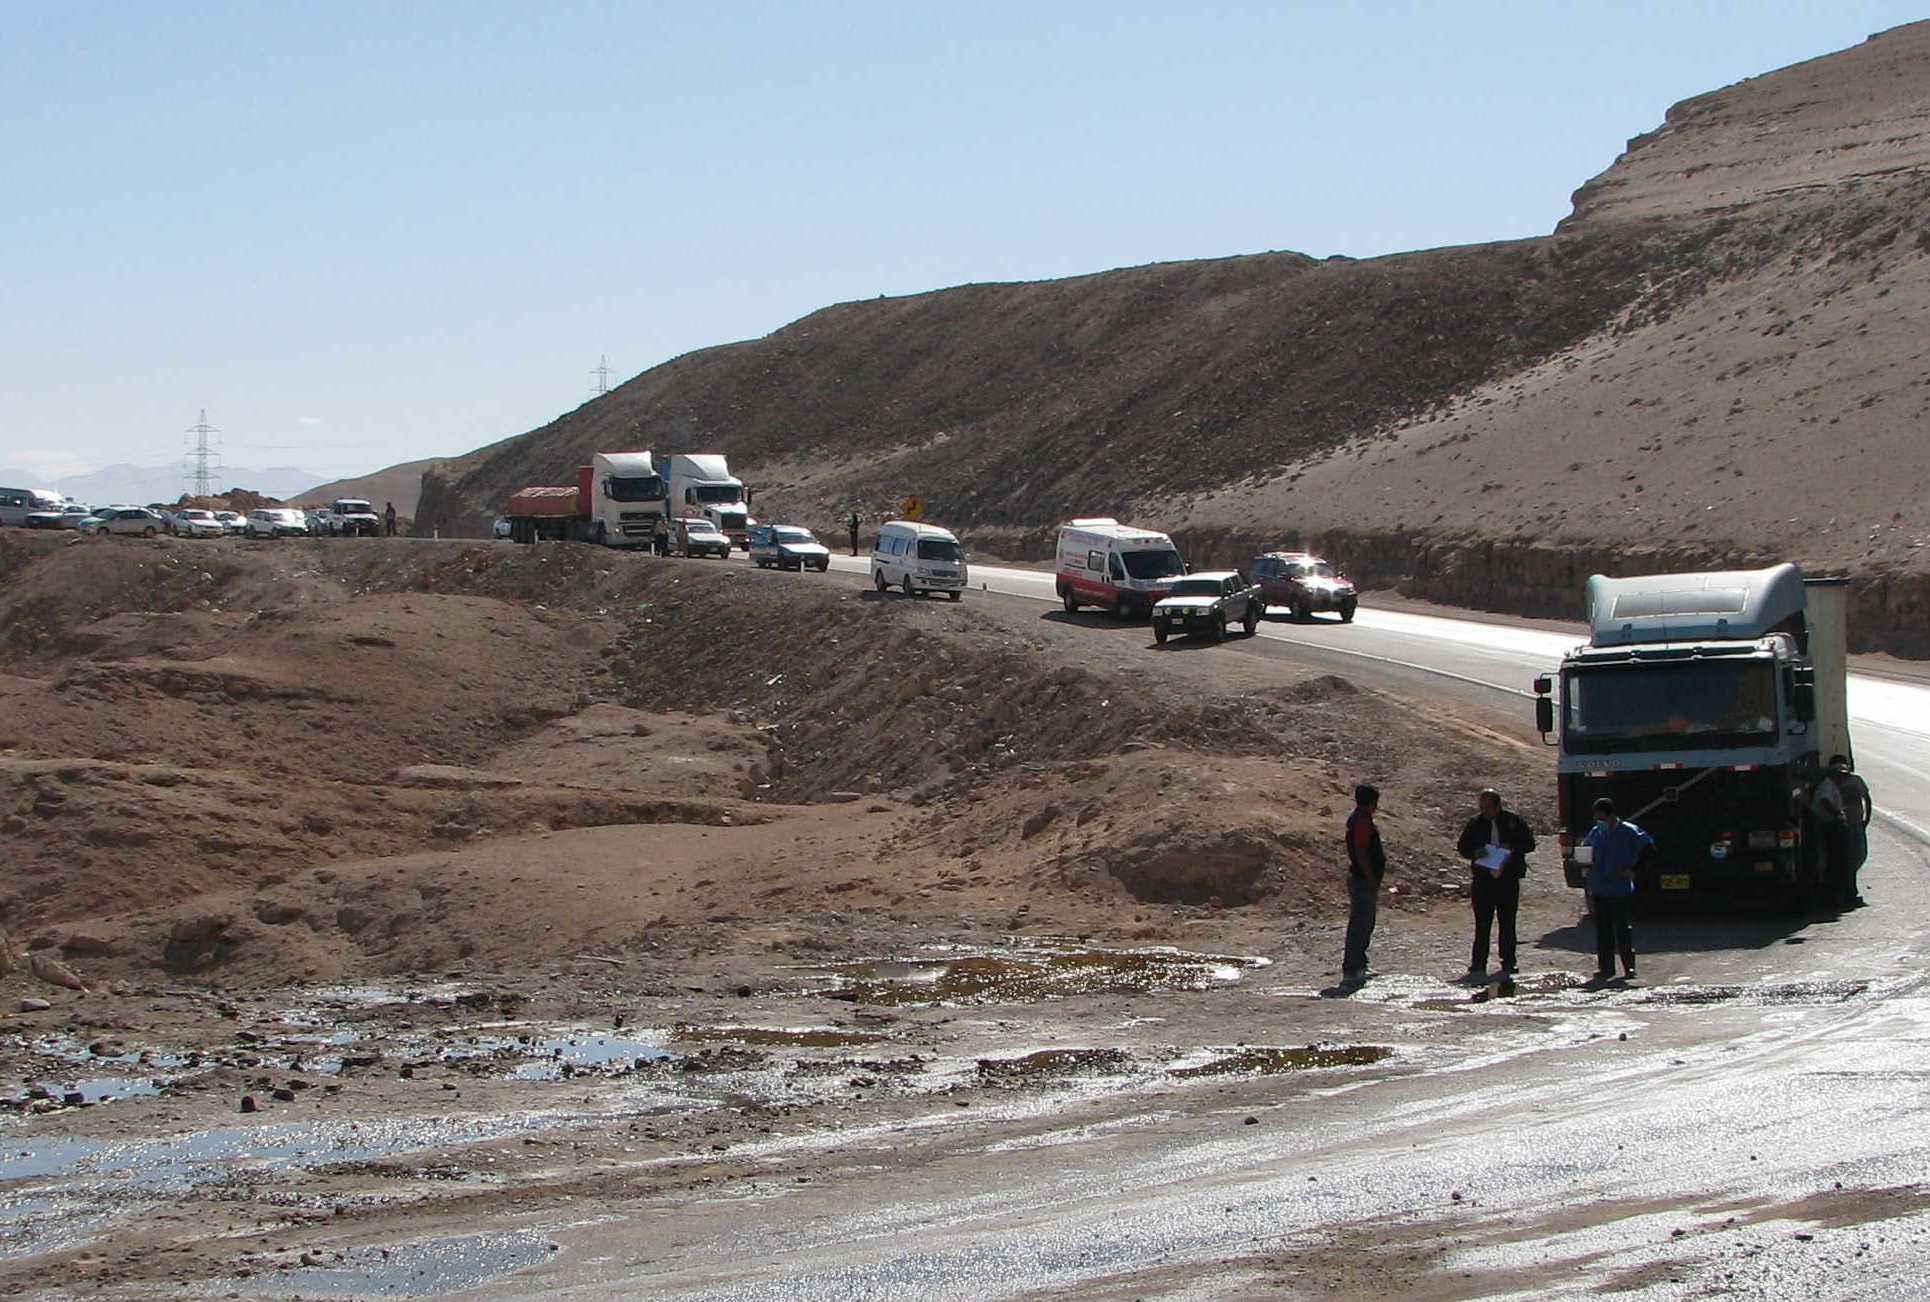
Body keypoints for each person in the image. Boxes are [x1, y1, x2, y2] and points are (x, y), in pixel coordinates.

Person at [1455, 788, 1536, 979]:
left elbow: (1529, 844)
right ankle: (1478, 964)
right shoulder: (1475, 823)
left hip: (1507, 879)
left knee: (1508, 922)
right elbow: (1463, 847)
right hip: (1483, 880)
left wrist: (1511, 848)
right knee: (1482, 924)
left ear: (1497, 806)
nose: (1484, 811)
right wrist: (1476, 852)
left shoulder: (1513, 821)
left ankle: (1509, 962)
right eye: (1482, 807)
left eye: (1488, 807)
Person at [1582, 797, 1651, 981]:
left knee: (1622, 930)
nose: (1599, 821)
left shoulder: (1628, 831)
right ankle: (1606, 968)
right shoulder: (1596, 832)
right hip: (1599, 888)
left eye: (1601, 817)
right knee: (1603, 931)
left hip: (1620, 889)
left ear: (1611, 815)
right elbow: (1585, 851)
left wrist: (1634, 871)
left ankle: (1629, 967)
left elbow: (1648, 848)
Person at [1342, 783, 1386, 979]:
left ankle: (1359, 963)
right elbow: (1361, 851)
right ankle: (1354, 967)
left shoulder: (1361, 819)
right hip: (1362, 879)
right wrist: (1370, 878)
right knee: (1361, 923)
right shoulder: (1361, 821)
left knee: (1365, 923)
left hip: (1363, 878)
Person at [1828, 754, 1873, 907]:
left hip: (1856, 824)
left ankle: (1849, 889)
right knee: (1847, 859)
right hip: (1842, 827)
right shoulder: (1830, 784)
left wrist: (1866, 819)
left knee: (1859, 855)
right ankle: (1848, 891)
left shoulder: (1856, 781)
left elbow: (1866, 798)